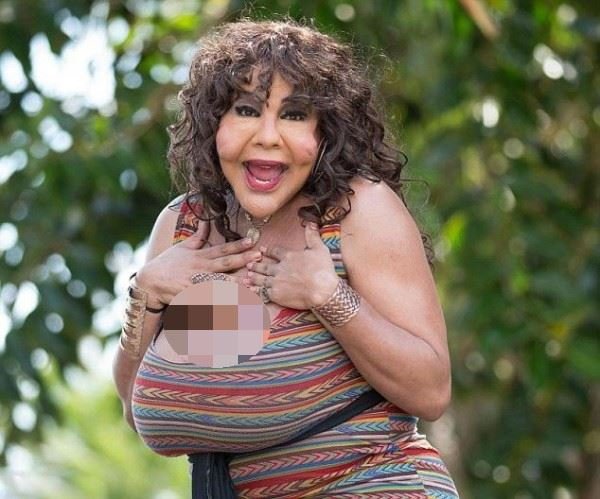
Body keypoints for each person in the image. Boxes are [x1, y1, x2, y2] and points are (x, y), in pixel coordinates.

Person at [113, 19, 459, 498]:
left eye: (295, 114)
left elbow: (431, 391)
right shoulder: (185, 226)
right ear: (214, 123)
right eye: (246, 109)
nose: (268, 135)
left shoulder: (357, 210)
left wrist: (329, 297)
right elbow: (136, 408)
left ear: (326, 132)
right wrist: (146, 294)